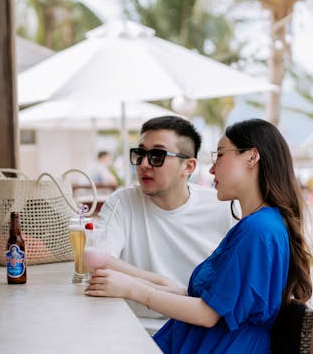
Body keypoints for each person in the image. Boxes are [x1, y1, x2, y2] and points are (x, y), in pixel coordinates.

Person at [85, 118, 313, 354]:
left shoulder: (259, 230)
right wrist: (155, 284)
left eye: (220, 155)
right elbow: (222, 300)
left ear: (251, 157)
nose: (212, 169)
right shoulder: (256, 226)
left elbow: (209, 314)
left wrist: (134, 290)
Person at [97, 115, 235, 318]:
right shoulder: (122, 202)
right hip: (137, 330)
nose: (144, 164)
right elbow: (99, 260)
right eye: (141, 153)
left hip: (198, 329)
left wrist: (138, 285)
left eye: (157, 155)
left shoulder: (223, 208)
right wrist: (162, 283)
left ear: (188, 167)